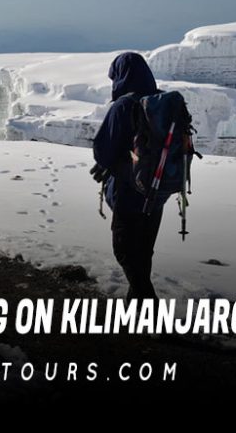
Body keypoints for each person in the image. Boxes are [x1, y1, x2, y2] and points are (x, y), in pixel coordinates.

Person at [92, 52, 169, 300]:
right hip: (157, 193)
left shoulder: (124, 105)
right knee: (143, 253)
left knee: (125, 251)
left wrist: (106, 164)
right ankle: (134, 310)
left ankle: (153, 316)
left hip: (129, 195)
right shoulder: (160, 104)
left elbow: (103, 150)